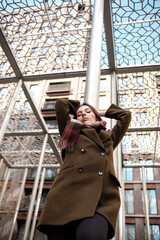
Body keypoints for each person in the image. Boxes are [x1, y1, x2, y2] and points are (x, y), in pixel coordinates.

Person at [37, 98, 131, 240]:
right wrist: (80, 108)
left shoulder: (109, 136)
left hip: (101, 200)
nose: (83, 114)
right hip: (66, 196)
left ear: (96, 115)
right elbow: (61, 104)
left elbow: (125, 115)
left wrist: (98, 111)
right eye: (79, 114)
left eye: (88, 112)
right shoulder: (69, 133)